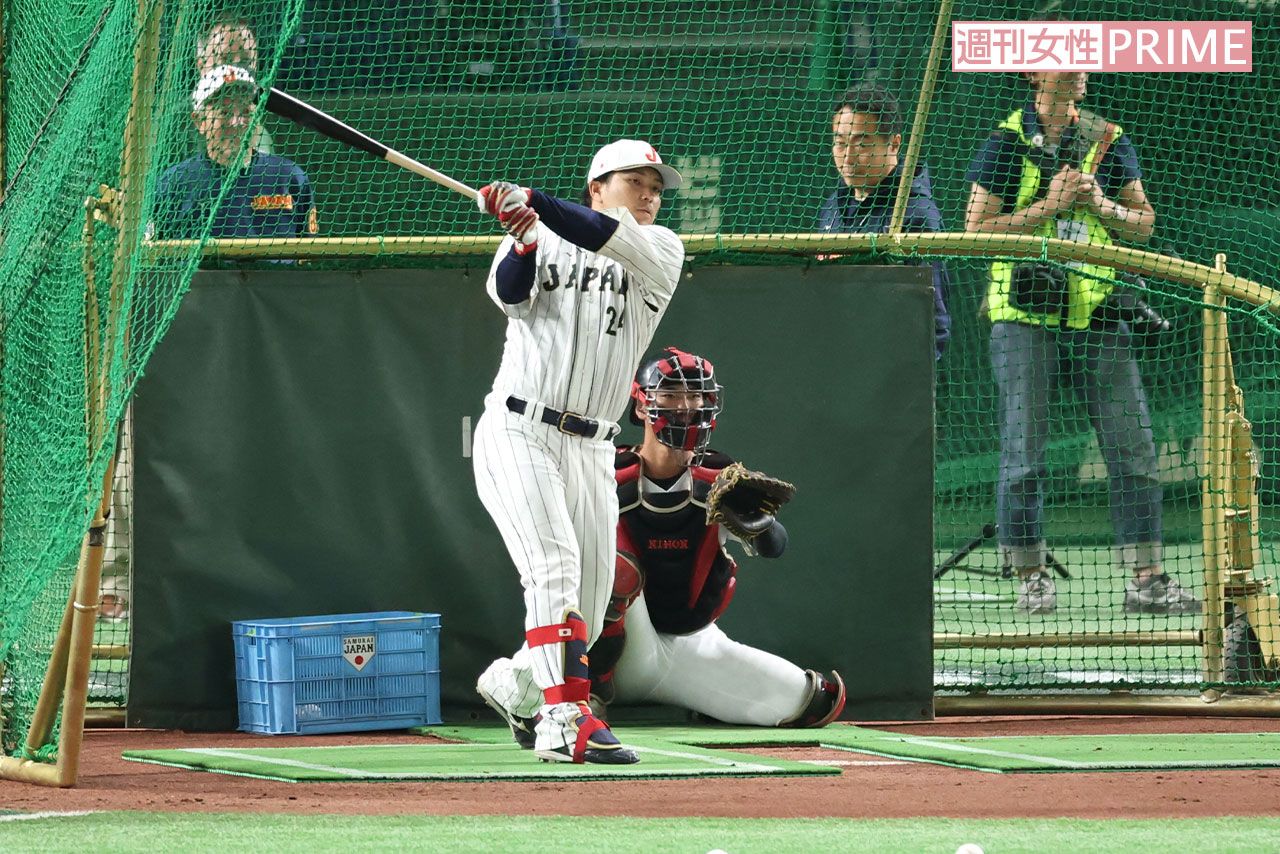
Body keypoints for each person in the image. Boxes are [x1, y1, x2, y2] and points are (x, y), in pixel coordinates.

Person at [471, 140, 686, 764]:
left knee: (588, 610)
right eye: (635, 181)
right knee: (554, 570)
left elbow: (593, 231)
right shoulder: (543, 233)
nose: (650, 194)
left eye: (657, 185)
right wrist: (522, 237)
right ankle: (564, 718)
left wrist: (533, 202)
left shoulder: (660, 249)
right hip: (520, 428)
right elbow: (511, 295)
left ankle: (515, 686)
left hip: (592, 444)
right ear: (597, 186)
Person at [963, 68, 1197, 615]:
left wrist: (1101, 207)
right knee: (1023, 456)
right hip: (1024, 314)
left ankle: (1147, 580)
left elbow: (1142, 223)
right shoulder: (1004, 141)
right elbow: (974, 229)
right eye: (1064, 55)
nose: (1079, 68)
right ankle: (1031, 577)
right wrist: (1051, 205)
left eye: (1083, 57)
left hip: (1099, 314)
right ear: (1031, 72)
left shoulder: (1107, 138)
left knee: (1134, 448)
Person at [584, 348, 846, 727]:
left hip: (689, 642)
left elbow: (775, 547)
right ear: (642, 407)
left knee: (812, 702)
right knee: (610, 562)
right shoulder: (605, 473)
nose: (686, 406)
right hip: (610, 649)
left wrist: (760, 524)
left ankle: (696, 697)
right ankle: (586, 691)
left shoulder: (720, 479)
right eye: (672, 394)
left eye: (696, 395)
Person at [819, 84, 951, 360]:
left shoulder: (916, 214)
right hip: (833, 367)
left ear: (894, 143)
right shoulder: (833, 207)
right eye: (840, 142)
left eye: (862, 143)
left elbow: (934, 325)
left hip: (889, 377)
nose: (847, 155)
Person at [152, 65, 317, 240]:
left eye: (246, 112)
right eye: (224, 112)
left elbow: (307, 256)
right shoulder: (173, 184)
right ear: (199, 121)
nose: (236, 122)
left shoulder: (290, 177)